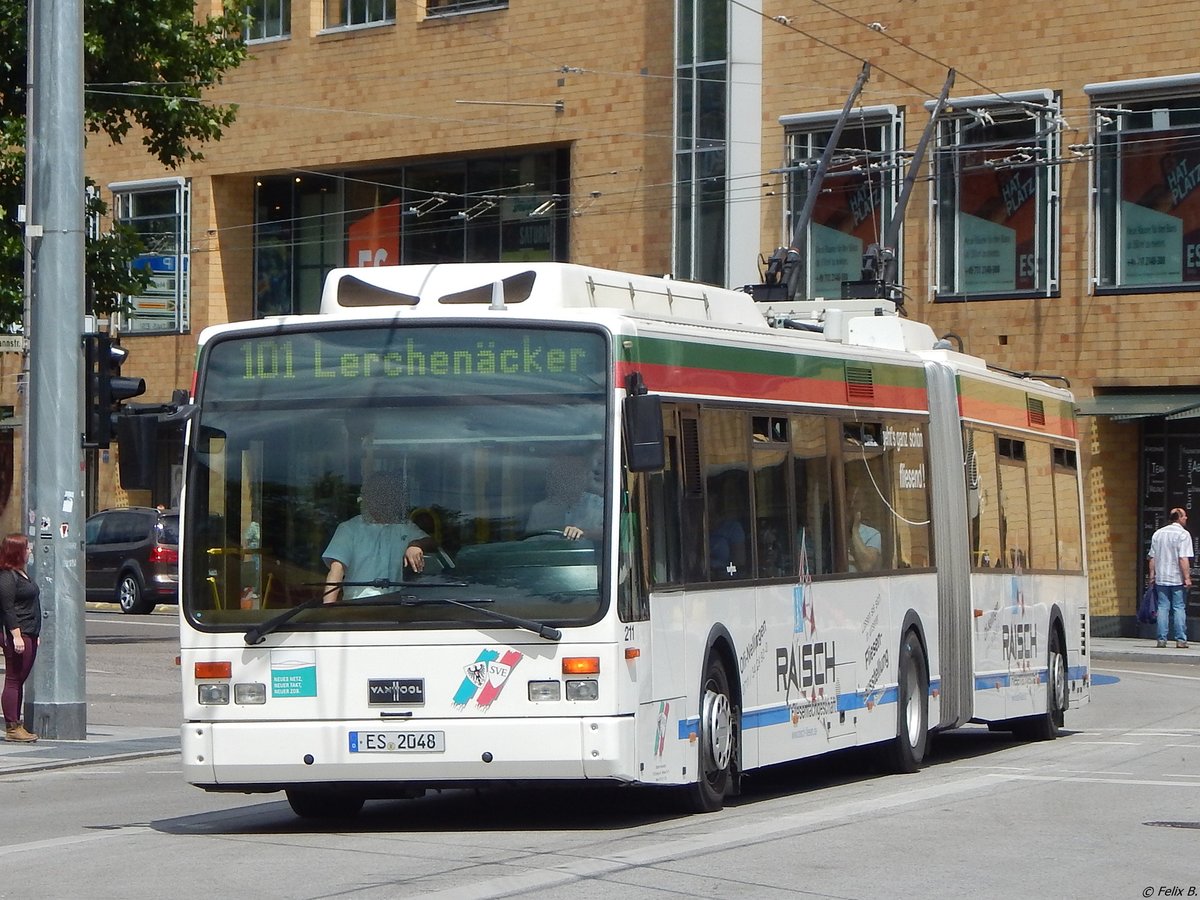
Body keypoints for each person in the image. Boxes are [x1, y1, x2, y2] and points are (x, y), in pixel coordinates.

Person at [322, 472, 435, 602]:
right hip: (357, 607)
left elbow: (432, 542)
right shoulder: (348, 529)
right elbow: (337, 570)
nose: (382, 500)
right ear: (367, 497)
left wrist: (416, 545)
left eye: (387, 494)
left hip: (397, 607)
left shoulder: (404, 526)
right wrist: (328, 608)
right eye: (376, 494)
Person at [0, 533, 40, 742]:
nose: (30, 551)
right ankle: (12, 727)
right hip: (18, 633)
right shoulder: (7, 576)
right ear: (17, 552)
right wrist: (16, 635)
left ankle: (17, 723)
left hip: (29, 632)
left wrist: (35, 633)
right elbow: (7, 608)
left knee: (19, 679)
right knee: (14, 679)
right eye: (27, 548)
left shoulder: (22, 573)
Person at [526, 453, 603, 541]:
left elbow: (611, 537)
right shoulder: (539, 511)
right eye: (566, 473)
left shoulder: (599, 506)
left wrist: (586, 534)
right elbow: (531, 545)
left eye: (577, 473)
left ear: (585, 476)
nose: (572, 478)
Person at [1148, 506, 1193, 648]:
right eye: (1184, 516)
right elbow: (1183, 558)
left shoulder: (1158, 534)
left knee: (1162, 607)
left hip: (1161, 577)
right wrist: (1187, 577)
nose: (1186, 518)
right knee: (1179, 607)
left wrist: (1152, 576)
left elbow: (1152, 557)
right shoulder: (1183, 534)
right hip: (1176, 577)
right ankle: (1180, 639)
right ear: (1178, 518)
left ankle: (1161, 639)